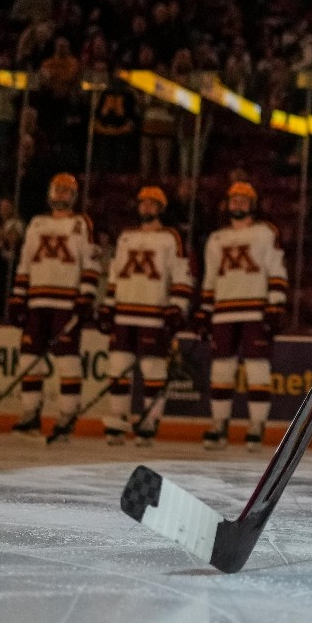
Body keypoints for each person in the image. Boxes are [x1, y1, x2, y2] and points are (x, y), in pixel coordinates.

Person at [6, 174, 98, 439]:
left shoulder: (82, 224)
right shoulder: (36, 223)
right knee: (28, 359)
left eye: (67, 192)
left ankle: (67, 416)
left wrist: (86, 296)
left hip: (66, 302)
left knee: (68, 361)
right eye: (58, 190)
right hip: (37, 301)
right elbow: (25, 263)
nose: (62, 195)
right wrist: (17, 297)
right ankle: (30, 414)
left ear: (75, 196)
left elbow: (90, 263)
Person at [199, 182, 287, 451]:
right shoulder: (215, 238)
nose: (237, 203)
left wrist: (276, 303)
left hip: (255, 308)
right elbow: (210, 278)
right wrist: (204, 310)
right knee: (221, 370)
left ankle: (256, 425)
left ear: (253, 204)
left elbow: (276, 269)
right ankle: (218, 423)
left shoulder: (265, 232)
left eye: (243, 199)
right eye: (233, 199)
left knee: (257, 368)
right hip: (223, 310)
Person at [100, 187, 191, 446]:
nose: (147, 208)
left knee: (153, 370)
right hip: (124, 314)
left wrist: (177, 306)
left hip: (153, 314)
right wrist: (108, 304)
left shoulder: (170, 237)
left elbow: (181, 274)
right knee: (117, 368)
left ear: (161, 208)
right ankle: (118, 422)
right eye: (143, 203)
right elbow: (115, 274)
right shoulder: (126, 236)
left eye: (152, 204)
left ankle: (149, 423)